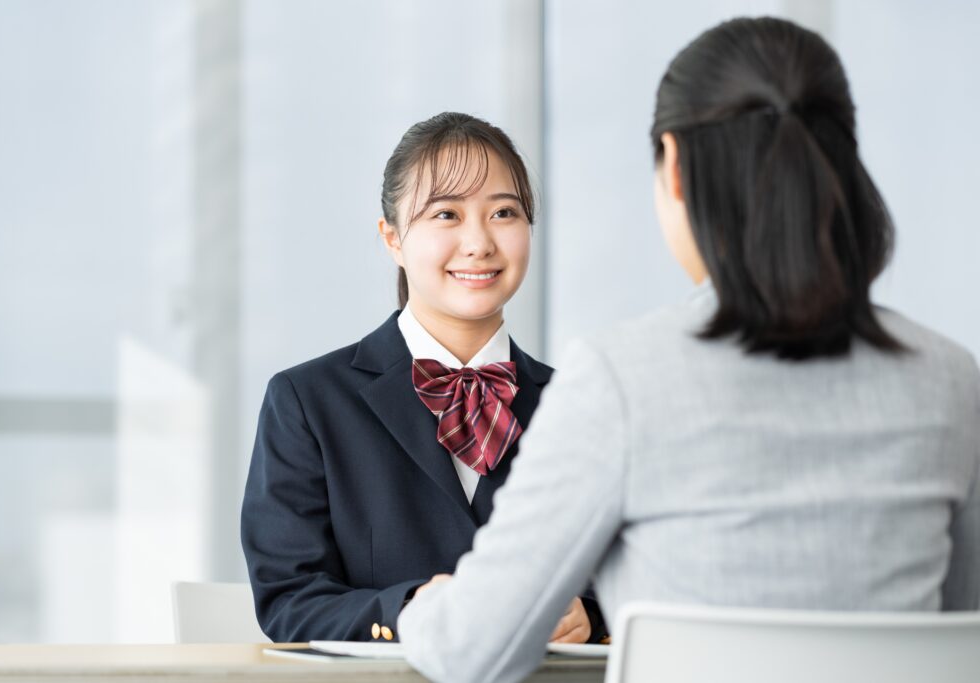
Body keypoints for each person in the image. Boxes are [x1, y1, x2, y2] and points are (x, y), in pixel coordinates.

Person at [398, 17, 980, 683]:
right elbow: (959, 623)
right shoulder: (950, 379)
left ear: (674, 165)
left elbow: (471, 649)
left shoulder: (621, 379)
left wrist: (431, 603)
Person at [241, 112, 606, 643]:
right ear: (392, 238)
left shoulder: (583, 404)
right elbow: (289, 599)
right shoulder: (307, 402)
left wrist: (591, 616)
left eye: (503, 212)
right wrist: (408, 609)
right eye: (446, 214)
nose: (478, 242)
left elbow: (637, 573)